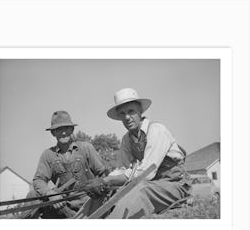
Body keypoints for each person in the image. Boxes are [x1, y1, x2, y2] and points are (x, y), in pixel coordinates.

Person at [80, 88, 192, 219]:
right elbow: (121, 169)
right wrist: (101, 182)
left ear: (140, 111)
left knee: (138, 190)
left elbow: (146, 174)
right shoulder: (126, 139)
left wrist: (107, 180)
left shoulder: (157, 130)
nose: (127, 117)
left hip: (174, 185)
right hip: (151, 185)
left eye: (131, 111)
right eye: (122, 114)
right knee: (103, 193)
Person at [21, 110, 107, 218]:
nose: (63, 132)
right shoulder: (48, 155)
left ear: (72, 129)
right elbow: (38, 180)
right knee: (33, 195)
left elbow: (103, 174)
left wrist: (97, 185)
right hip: (63, 207)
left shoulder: (85, 148)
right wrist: (50, 194)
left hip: (89, 204)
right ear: (53, 133)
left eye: (66, 128)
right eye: (59, 129)